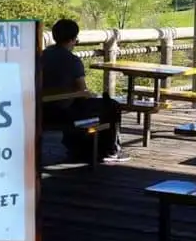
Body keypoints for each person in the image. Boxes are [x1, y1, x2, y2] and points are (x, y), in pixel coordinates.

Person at [42, 19, 130, 163]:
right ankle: (110, 150)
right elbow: (82, 92)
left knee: (85, 105)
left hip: (41, 111)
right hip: (63, 113)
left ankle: (75, 147)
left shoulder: (41, 56)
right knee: (111, 105)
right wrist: (89, 94)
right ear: (73, 39)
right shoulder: (72, 61)